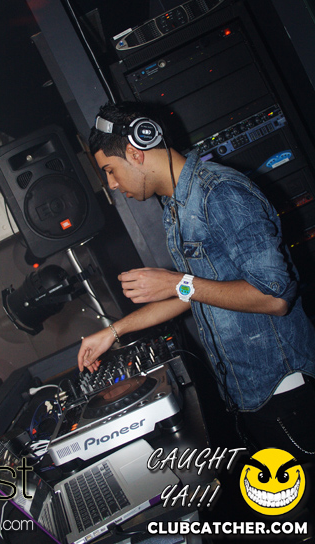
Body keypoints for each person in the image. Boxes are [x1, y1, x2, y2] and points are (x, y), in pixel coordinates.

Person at [77, 100, 315, 458]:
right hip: (250, 396)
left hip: (285, 395)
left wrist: (176, 282)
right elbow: (198, 292)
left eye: (110, 170)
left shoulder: (219, 192)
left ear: (135, 153)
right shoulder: (178, 205)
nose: (111, 184)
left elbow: (275, 298)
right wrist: (114, 331)